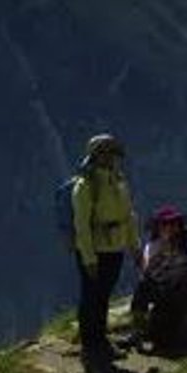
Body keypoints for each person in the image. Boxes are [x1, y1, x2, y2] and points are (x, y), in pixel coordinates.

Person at [68, 134, 141, 361]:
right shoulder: (85, 186)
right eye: (106, 153)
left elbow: (128, 216)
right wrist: (88, 258)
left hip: (115, 248)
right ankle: (91, 345)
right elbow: (81, 225)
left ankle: (98, 340)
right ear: (96, 155)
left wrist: (134, 246)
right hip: (96, 249)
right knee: (92, 296)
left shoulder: (118, 180)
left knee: (102, 295)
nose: (112, 158)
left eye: (113, 153)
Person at [130, 206, 187, 354]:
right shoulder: (152, 246)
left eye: (173, 223)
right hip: (161, 286)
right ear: (158, 226)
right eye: (165, 224)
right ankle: (137, 332)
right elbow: (146, 271)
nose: (169, 228)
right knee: (142, 288)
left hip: (184, 286)